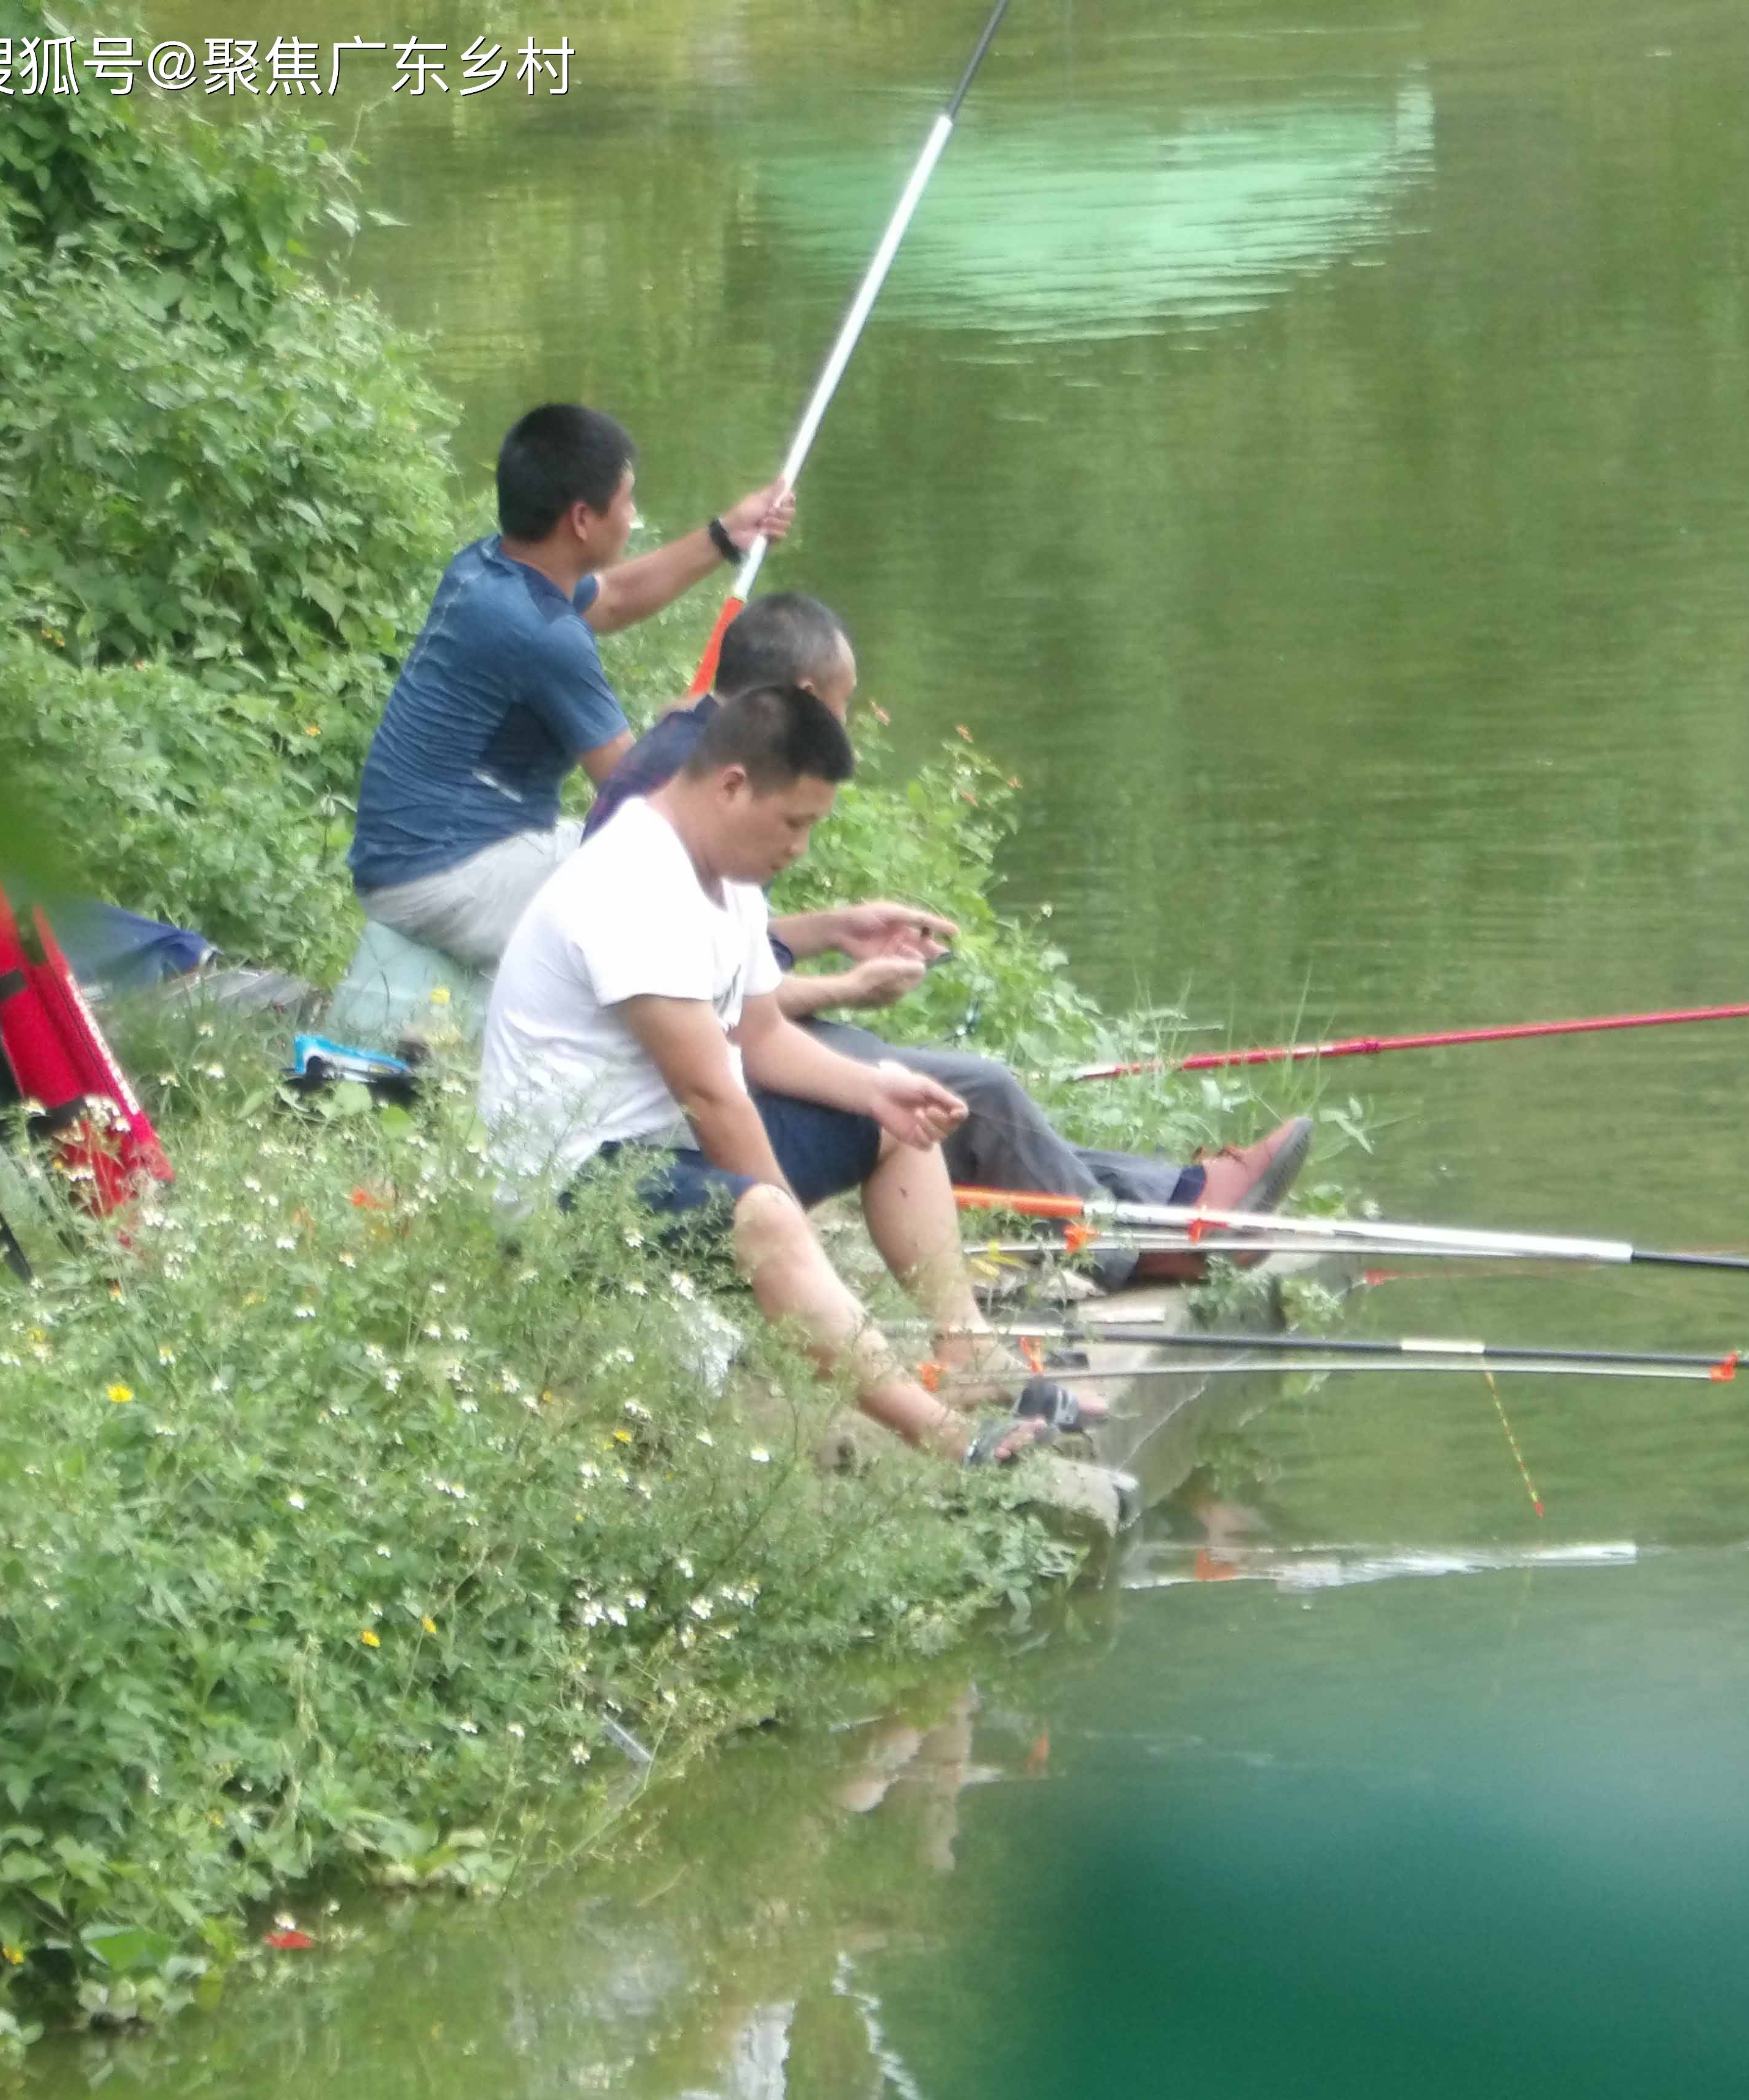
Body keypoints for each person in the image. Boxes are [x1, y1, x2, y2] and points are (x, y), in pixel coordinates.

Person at [590, 590, 1309, 1285]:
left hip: (710, 1051)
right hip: (663, 1101)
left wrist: (837, 928)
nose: (850, 725)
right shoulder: (696, 790)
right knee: (959, 1088)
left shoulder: (702, 758)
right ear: (805, 698)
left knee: (935, 1089)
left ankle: (1174, 1202)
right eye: (844, 703)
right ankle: (1137, 1243)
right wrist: (847, 990)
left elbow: (720, 951)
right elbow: (694, 998)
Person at [477, 684, 1075, 1467]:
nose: (800, 847)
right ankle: (948, 1439)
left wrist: (875, 1091)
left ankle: (965, 1356)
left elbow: (759, 1039)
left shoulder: (728, 879)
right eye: (794, 822)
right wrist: (802, 1252)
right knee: (764, 1217)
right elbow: (711, 1094)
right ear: (732, 786)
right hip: (571, 1179)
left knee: (894, 1118)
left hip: (666, 1145)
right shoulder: (631, 887)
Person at [349, 403, 795, 971]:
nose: (634, 515)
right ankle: (734, 1014)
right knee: (680, 873)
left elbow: (611, 599)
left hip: (414, 858)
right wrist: (701, 721)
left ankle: (759, 964)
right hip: (443, 879)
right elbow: (644, 796)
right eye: (628, 500)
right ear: (582, 520)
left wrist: (725, 535)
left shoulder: (488, 566)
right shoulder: (542, 634)